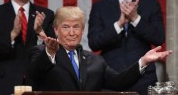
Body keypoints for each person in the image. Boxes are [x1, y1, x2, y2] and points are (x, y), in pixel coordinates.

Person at [27, 6, 171, 92]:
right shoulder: (41, 52)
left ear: (82, 30)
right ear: (56, 30)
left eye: (76, 27)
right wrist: (49, 52)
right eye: (66, 27)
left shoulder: (95, 60)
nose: (72, 33)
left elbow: (119, 82)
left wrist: (143, 61)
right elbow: (33, 75)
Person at [87, 0, 165, 94]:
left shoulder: (151, 4)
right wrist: (119, 24)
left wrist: (135, 18)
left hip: (143, 79)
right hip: (110, 79)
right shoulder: (100, 6)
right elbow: (94, 43)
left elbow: (159, 38)